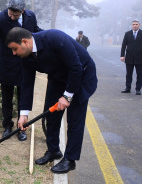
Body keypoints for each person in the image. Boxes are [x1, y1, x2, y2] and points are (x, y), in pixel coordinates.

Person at [6, 27, 97, 174]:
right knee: (51, 114)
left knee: (75, 119)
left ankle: (70, 159)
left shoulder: (54, 38)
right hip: (58, 77)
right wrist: (23, 114)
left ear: (25, 42)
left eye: (15, 49)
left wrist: (67, 96)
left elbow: (75, 67)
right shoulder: (26, 56)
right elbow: (27, 83)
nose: (14, 53)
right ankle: (54, 151)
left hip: (81, 74)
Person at [0, 0, 43, 141]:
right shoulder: (1, 17)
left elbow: (36, 31)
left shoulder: (31, 16)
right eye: (10, 13)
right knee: (7, 98)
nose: (11, 17)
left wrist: (50, 36)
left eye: (15, 15)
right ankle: (7, 126)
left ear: (22, 11)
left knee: (23, 98)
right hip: (7, 65)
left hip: (26, 64)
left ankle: (21, 128)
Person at [120, 19, 142, 95]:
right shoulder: (127, 34)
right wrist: (122, 55)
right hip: (129, 57)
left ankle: (138, 89)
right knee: (128, 74)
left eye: (136, 24)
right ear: (131, 25)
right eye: (133, 24)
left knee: (139, 74)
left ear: (139, 25)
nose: (135, 25)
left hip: (140, 57)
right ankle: (127, 88)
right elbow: (123, 45)